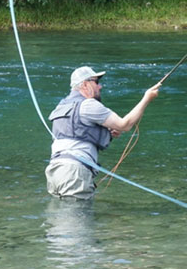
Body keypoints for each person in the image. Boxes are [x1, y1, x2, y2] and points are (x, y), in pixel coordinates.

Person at [45, 66, 161, 199]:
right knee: (78, 217)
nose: (100, 86)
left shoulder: (61, 106)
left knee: (61, 216)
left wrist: (105, 133)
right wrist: (147, 98)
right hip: (74, 172)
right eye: (96, 82)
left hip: (55, 171)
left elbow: (75, 133)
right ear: (85, 84)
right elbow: (125, 125)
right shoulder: (88, 105)